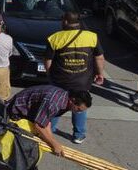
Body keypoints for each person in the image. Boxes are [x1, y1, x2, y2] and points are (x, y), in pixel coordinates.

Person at [44, 11, 104, 144]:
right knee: (79, 106)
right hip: (83, 81)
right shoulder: (92, 37)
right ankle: (78, 135)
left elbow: (48, 60)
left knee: (55, 105)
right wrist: (100, 74)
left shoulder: (55, 38)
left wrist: (49, 75)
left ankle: (49, 130)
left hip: (60, 80)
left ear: (65, 21)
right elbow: (99, 57)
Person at [7, 86, 92, 157]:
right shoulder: (54, 103)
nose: (79, 112)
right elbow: (39, 125)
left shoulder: (65, 100)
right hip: (16, 112)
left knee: (36, 143)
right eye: (79, 109)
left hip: (30, 113)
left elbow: (46, 121)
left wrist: (52, 141)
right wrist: (54, 144)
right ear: (72, 100)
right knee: (24, 144)